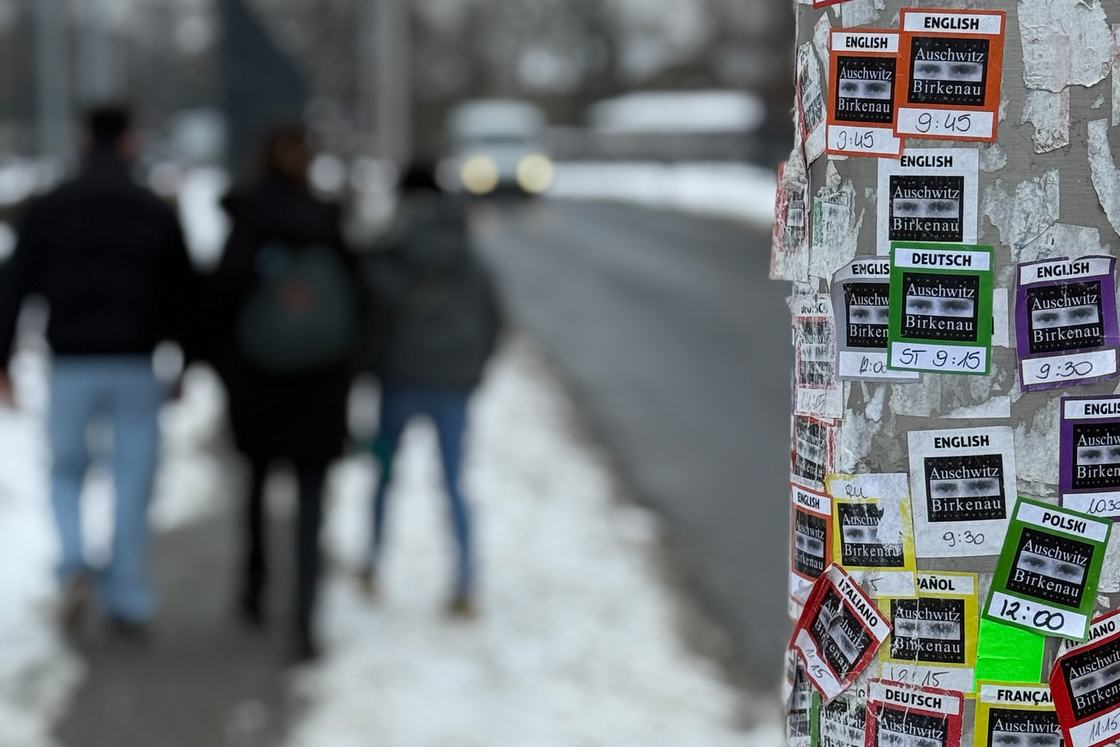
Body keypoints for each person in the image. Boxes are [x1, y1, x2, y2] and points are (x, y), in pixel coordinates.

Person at [0, 106, 198, 635]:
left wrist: (4, 361)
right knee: (132, 482)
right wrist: (186, 361)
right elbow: (184, 291)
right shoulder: (153, 208)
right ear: (131, 140)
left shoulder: (50, 206)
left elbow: (13, 285)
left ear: (82, 138)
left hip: (69, 363)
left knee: (65, 471)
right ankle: (127, 599)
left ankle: (73, 563)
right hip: (136, 363)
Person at [208, 126, 361, 660]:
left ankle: (254, 589)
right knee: (312, 499)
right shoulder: (329, 219)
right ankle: (305, 617)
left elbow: (221, 298)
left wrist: (227, 368)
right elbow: (356, 301)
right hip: (319, 387)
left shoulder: (245, 219)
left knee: (253, 487)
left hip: (257, 382)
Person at [362, 162, 503, 616]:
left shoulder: (389, 248)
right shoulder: (465, 246)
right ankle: (465, 583)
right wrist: (472, 368)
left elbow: (374, 310)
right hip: (453, 386)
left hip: (400, 380)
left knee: (384, 475)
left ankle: (372, 565)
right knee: (455, 484)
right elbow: (495, 317)